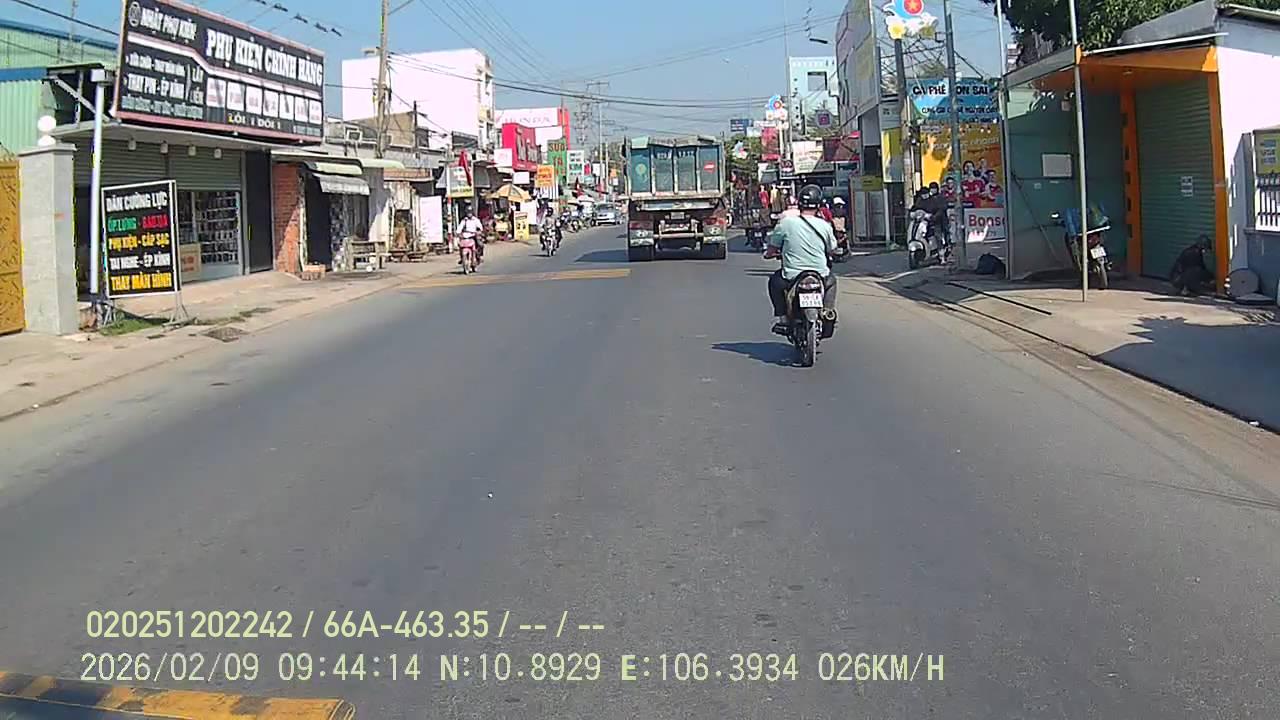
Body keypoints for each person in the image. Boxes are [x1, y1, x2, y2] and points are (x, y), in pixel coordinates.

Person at [764, 184, 838, 333]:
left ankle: (783, 318)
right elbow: (832, 249)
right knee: (831, 281)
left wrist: (769, 254)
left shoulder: (786, 223)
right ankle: (828, 311)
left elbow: (772, 247)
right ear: (818, 205)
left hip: (792, 275)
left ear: (799, 204)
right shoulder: (825, 226)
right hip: (820, 273)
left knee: (774, 282)